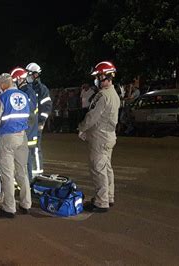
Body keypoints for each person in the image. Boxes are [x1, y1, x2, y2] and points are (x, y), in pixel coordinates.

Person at [78, 61, 120, 213]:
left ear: (105, 76)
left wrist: (81, 127)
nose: (96, 79)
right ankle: (109, 196)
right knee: (106, 167)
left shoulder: (102, 96)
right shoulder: (114, 94)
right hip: (109, 135)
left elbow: (92, 117)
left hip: (100, 137)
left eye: (98, 76)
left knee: (98, 169)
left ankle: (101, 202)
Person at [0, 73, 31, 218]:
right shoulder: (23, 96)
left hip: (7, 137)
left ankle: (9, 208)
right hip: (22, 136)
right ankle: (26, 204)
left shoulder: (3, 97)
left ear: (3, 84)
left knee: (7, 174)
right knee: (22, 171)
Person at [11, 67, 39, 181]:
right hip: (27, 130)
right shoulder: (24, 91)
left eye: (14, 81)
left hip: (28, 131)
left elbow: (29, 113)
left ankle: (27, 184)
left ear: (19, 79)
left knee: (25, 160)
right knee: (23, 159)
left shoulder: (27, 92)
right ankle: (24, 183)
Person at [25, 62, 52, 173]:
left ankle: (37, 172)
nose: (27, 76)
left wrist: (41, 122)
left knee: (35, 148)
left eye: (29, 74)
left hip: (36, 124)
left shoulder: (42, 89)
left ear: (36, 75)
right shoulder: (27, 88)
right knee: (27, 148)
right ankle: (30, 171)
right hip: (28, 124)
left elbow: (47, 107)